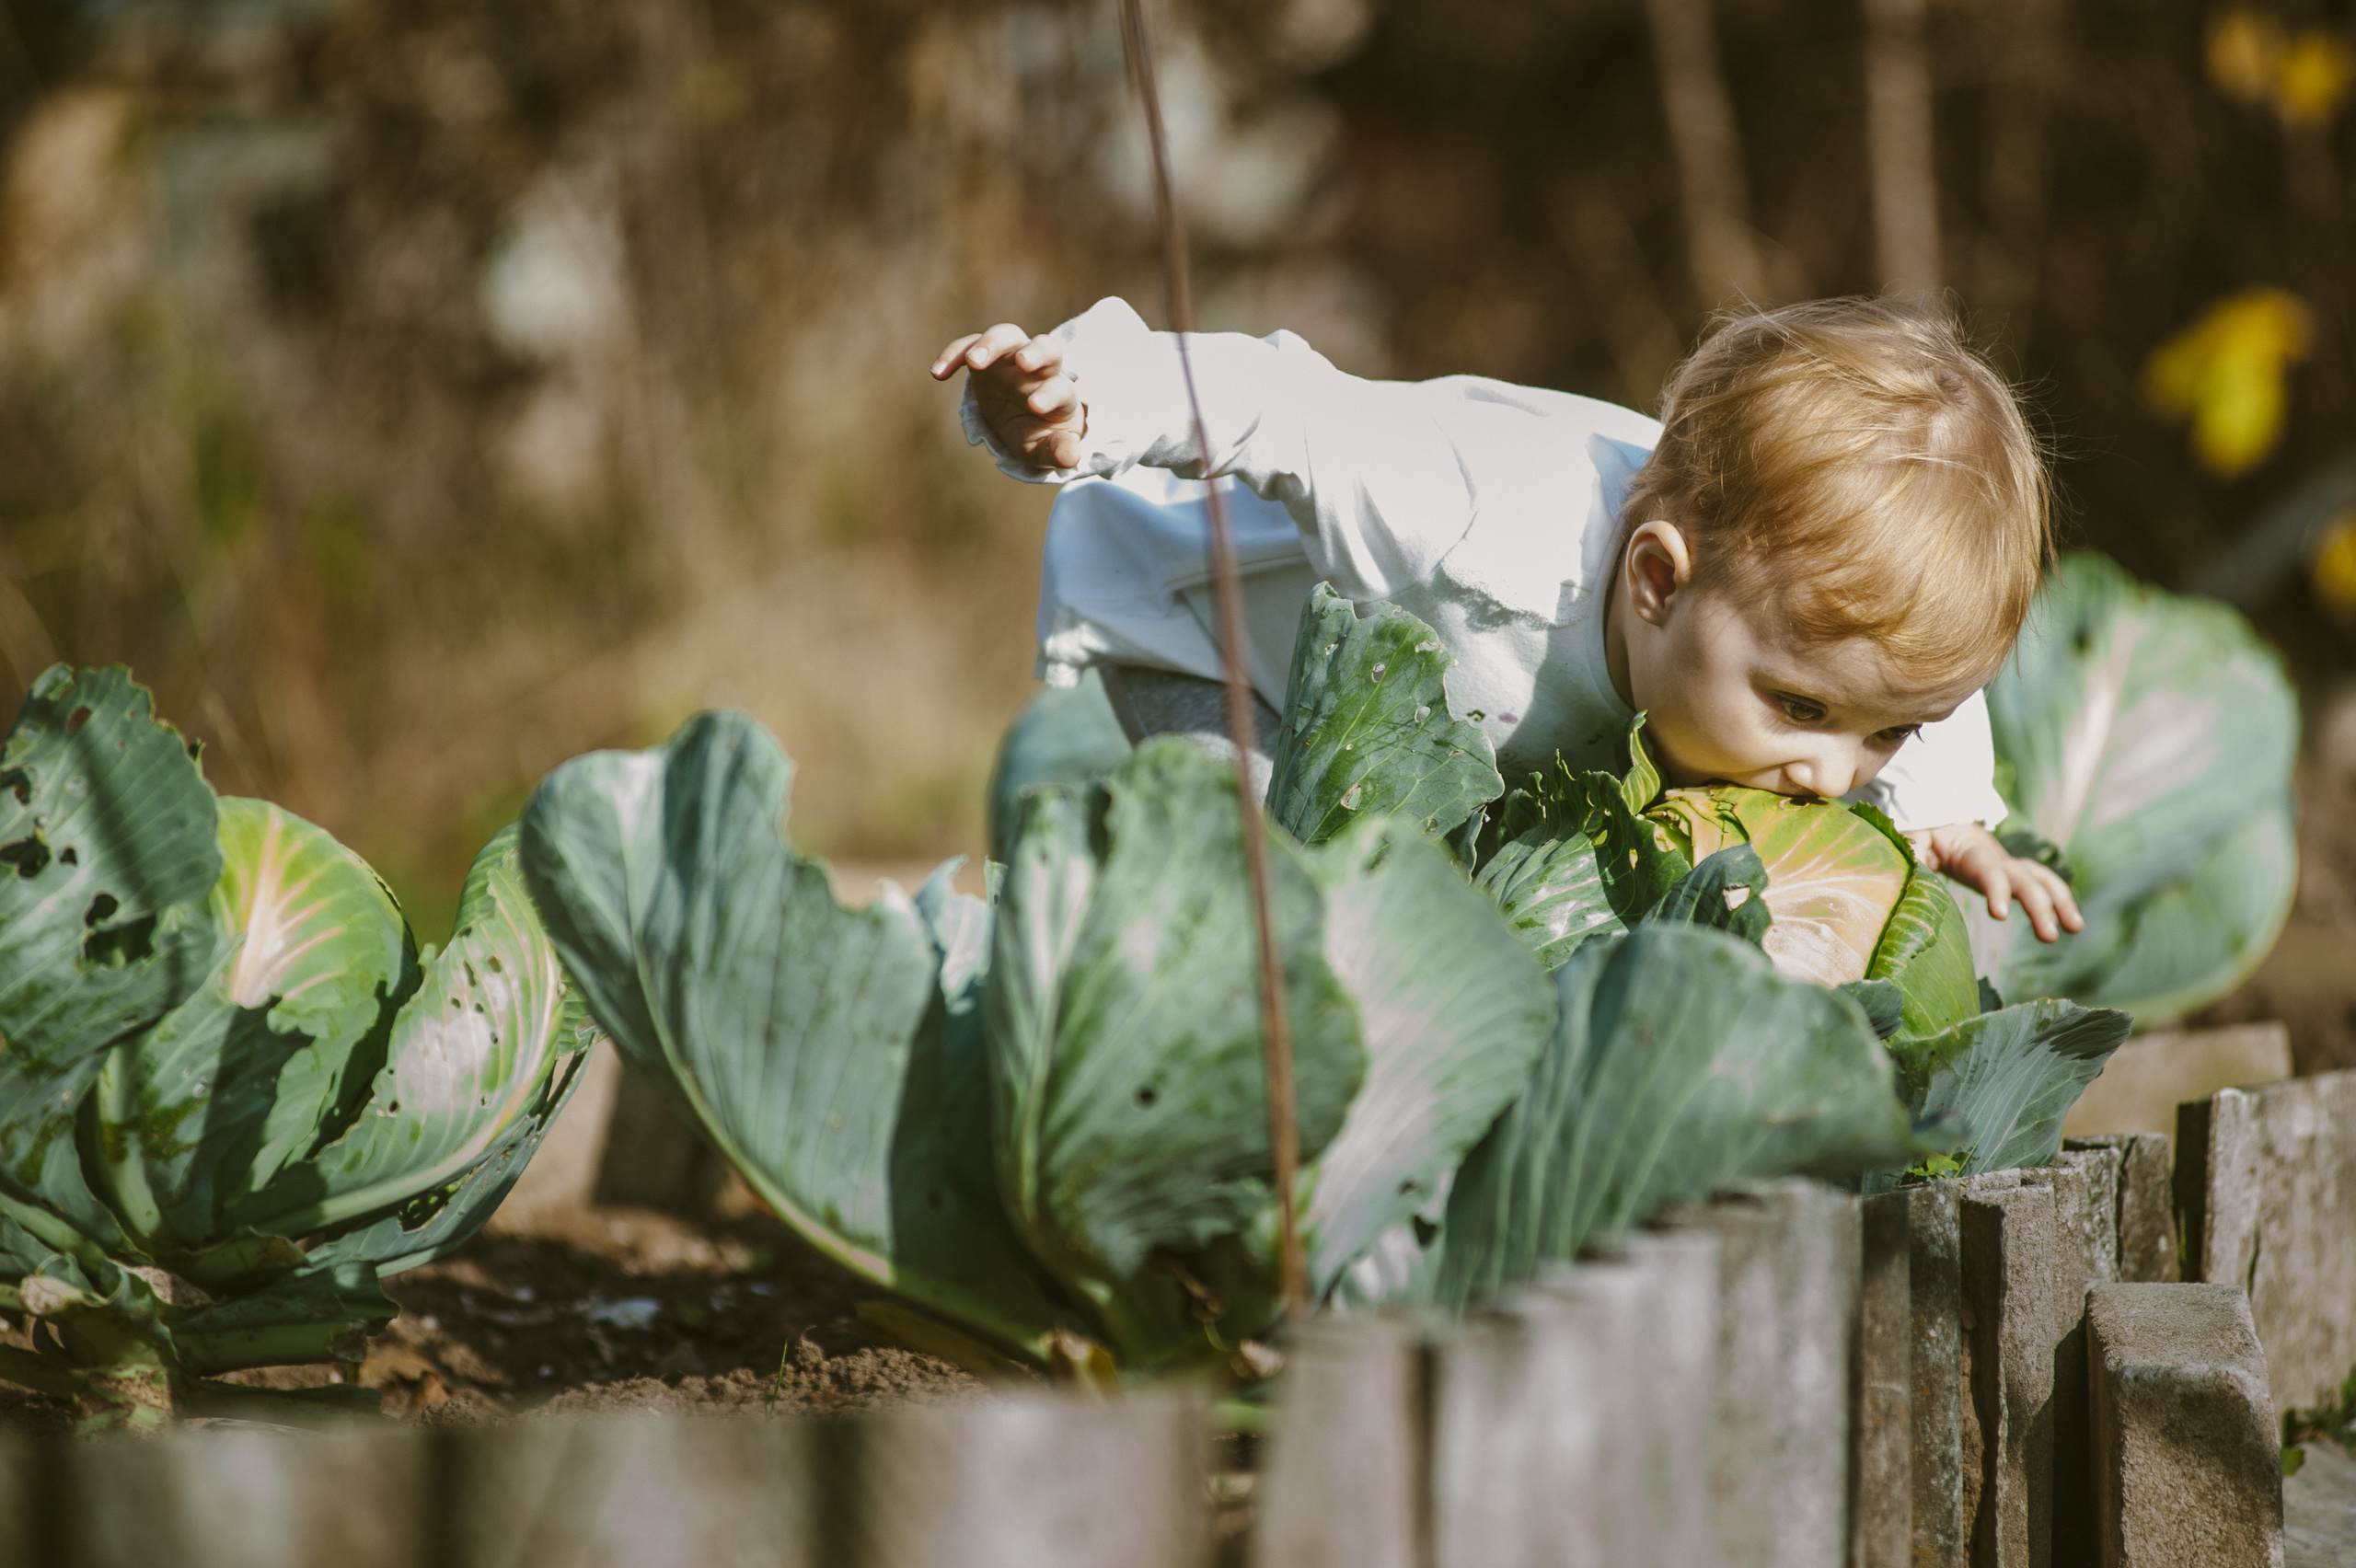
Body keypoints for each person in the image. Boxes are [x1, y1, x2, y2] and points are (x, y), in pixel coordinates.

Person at [930, 294, 2084, 943]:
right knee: (1259, 907)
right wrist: (1080, 397)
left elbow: (1924, 694)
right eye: (1800, 709)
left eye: (1878, 735)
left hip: (1452, 726)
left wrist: (1952, 817)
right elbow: (1279, 405)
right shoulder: (1473, 518)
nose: (1835, 777)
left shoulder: (1803, 635)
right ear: (1656, 582)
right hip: (1224, 646)